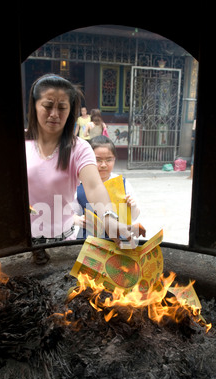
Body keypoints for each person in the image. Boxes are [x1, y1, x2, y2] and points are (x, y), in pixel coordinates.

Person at [25, 74, 138, 264]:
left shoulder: (79, 148)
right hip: (23, 243)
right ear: (35, 105)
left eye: (62, 107)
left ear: (71, 111)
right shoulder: (21, 143)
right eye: (47, 106)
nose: (54, 113)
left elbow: (94, 188)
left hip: (62, 243)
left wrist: (109, 219)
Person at [74, 135, 145, 240]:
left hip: (119, 239)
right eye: (97, 160)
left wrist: (133, 206)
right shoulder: (80, 185)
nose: (103, 165)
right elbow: (71, 214)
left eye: (108, 160)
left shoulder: (122, 183)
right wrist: (78, 220)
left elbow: (134, 216)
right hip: (89, 241)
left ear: (114, 159)